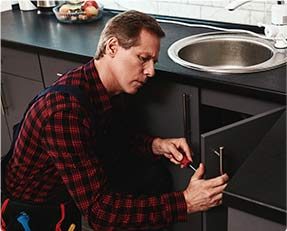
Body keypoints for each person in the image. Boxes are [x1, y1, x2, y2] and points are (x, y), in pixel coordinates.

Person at [2, 10, 228, 231]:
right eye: (143, 58)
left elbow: (112, 138)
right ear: (112, 47)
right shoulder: (64, 112)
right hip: (36, 213)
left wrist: (156, 145)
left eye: (153, 62)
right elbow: (101, 213)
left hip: (67, 192)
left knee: (152, 176)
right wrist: (186, 202)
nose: (151, 72)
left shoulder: (101, 85)